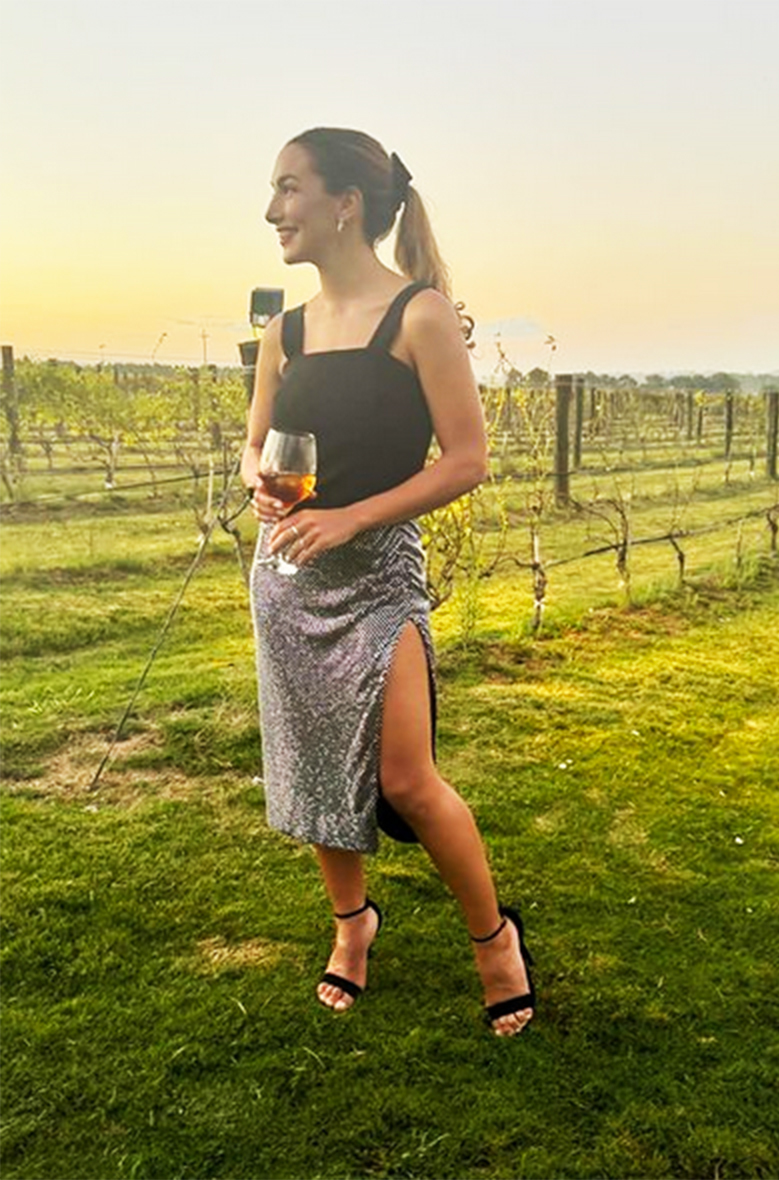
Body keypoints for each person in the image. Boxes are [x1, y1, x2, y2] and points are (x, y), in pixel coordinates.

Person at [241, 127, 535, 1036]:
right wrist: (258, 482)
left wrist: (354, 518)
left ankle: (496, 940)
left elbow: (468, 460)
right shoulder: (283, 332)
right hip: (289, 576)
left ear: (346, 205)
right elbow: (254, 445)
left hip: (377, 577)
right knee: (312, 771)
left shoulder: (419, 315)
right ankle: (352, 926)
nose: (272, 209)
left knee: (406, 778)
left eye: (289, 187)